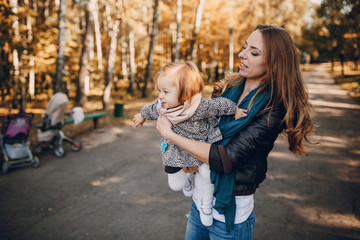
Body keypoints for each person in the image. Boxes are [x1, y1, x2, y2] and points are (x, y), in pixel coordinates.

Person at [156, 24, 315, 239]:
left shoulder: (273, 109)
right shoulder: (227, 89)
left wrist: (171, 135)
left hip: (230, 216)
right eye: (244, 47)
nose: (242, 54)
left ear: (275, 63)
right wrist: (186, 153)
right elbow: (203, 131)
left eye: (254, 52)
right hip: (199, 204)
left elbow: (226, 159)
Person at [133, 61, 246, 226]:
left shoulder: (200, 107)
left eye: (165, 91)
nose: (160, 96)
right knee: (175, 185)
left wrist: (235, 110)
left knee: (208, 175)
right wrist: (141, 115)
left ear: (185, 93)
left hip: (200, 150)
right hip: (175, 153)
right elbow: (150, 108)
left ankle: (206, 206)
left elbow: (219, 105)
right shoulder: (161, 106)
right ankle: (186, 181)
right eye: (159, 91)